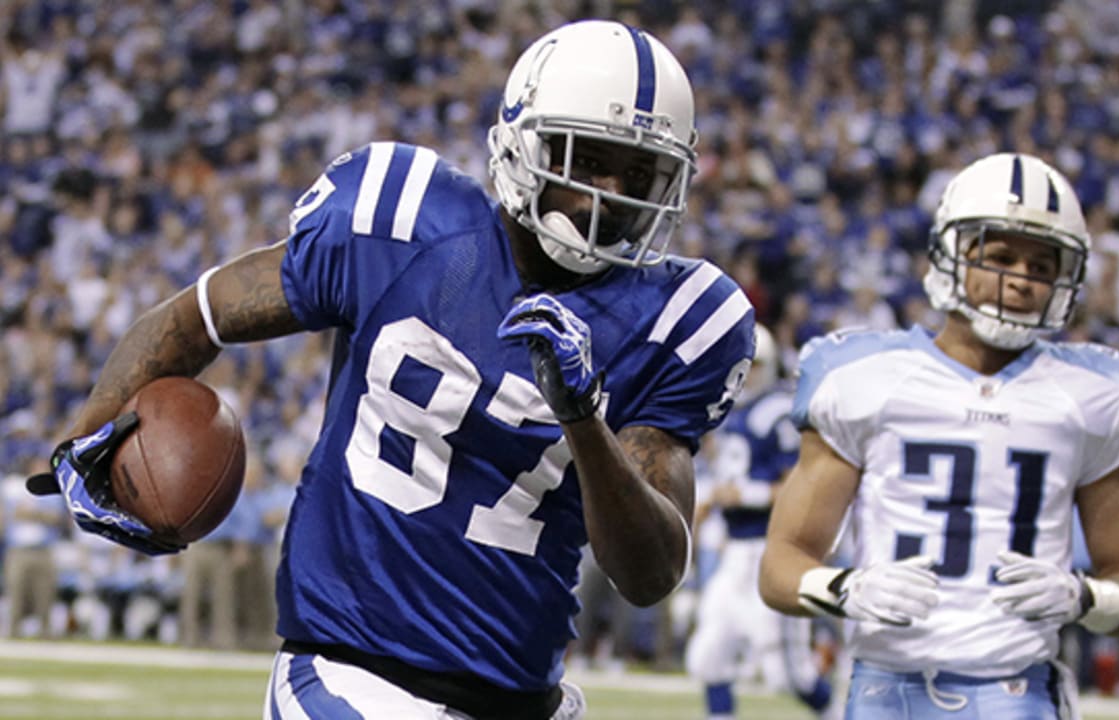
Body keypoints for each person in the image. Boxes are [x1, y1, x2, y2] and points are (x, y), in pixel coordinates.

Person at [26, 20, 754, 720]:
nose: (612, 197)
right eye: (586, 160)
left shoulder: (683, 317)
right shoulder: (398, 221)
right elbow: (194, 318)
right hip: (351, 670)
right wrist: (76, 453)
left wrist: (582, 416)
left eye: (641, 173)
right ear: (522, 144)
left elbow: (649, 574)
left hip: (527, 695)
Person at [759, 152, 1119, 718]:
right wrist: (846, 589)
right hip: (886, 689)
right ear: (950, 254)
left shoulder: (1096, 395)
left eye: (1042, 267)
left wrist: (1083, 595)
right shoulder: (861, 378)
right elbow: (780, 566)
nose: (1020, 281)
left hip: (1019, 689)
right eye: (1001, 257)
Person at [685, 325, 836, 720]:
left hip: (769, 553)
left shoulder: (779, 411)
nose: (744, 374)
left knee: (788, 675)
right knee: (709, 656)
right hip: (733, 552)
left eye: (754, 366)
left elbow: (801, 488)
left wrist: (745, 495)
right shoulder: (729, 413)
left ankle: (836, 713)